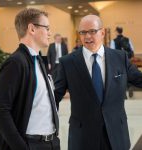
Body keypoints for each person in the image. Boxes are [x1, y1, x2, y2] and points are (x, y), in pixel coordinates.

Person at [54, 15, 142, 150]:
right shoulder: (67, 62)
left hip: (116, 135)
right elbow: (54, 96)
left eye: (92, 31)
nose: (87, 36)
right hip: (83, 137)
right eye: (83, 32)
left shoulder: (120, 58)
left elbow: (139, 80)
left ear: (102, 32)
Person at [0, 8, 60, 150]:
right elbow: (0, 111)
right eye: (47, 28)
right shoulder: (15, 63)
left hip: (50, 142)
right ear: (32, 29)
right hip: (30, 144)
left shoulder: (38, 60)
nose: (50, 33)